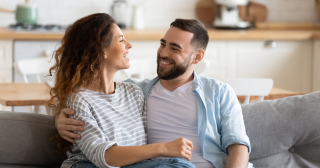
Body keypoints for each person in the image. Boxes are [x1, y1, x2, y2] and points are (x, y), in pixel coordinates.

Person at [55, 18, 253, 168]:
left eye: (175, 48)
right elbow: (92, 98)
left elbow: (238, 145)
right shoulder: (140, 91)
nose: (164, 53)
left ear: (197, 56)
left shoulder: (219, 92)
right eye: (163, 44)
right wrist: (59, 118)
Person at [48, 13, 197, 168]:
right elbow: (104, 157)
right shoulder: (79, 100)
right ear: (101, 50)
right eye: (121, 40)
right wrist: (163, 148)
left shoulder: (134, 92)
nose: (129, 45)